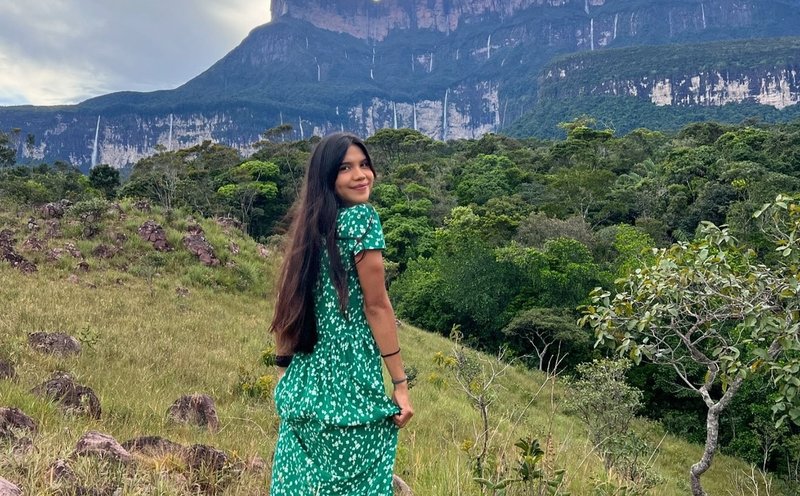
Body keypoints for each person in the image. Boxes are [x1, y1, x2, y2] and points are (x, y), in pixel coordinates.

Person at [269, 133, 414, 495]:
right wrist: (400, 383)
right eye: (346, 168)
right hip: (351, 389)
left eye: (364, 165)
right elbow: (377, 305)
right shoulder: (362, 220)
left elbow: (292, 305)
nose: (361, 175)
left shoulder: (309, 229)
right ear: (327, 177)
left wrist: (285, 373)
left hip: (303, 387)